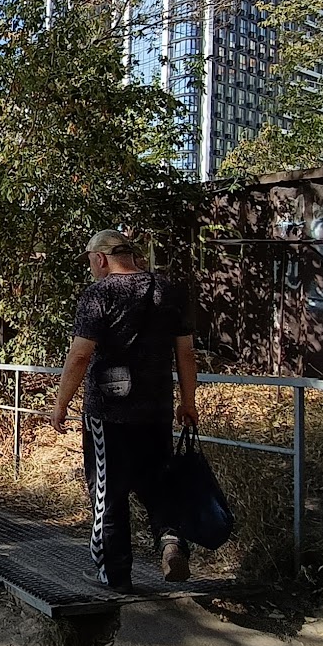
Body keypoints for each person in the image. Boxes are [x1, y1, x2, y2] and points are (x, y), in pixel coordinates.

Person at [51, 229, 199, 593]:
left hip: (109, 415)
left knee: (108, 492)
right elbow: (187, 353)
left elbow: (81, 354)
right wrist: (188, 401)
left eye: (90, 261)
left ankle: (113, 575)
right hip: (158, 410)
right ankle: (171, 541)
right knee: (158, 482)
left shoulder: (99, 293)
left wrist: (61, 402)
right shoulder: (170, 291)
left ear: (101, 259)